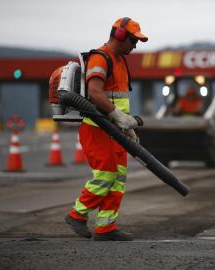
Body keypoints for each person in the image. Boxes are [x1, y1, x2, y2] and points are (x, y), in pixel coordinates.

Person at [64, 17, 148, 241]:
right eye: (132, 40)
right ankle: (77, 214)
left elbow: (117, 99)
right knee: (107, 174)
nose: (135, 45)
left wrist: (126, 126)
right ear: (119, 35)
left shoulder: (120, 60)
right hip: (97, 128)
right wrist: (119, 117)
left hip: (115, 130)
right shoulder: (101, 58)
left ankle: (106, 227)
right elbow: (95, 93)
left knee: (118, 178)